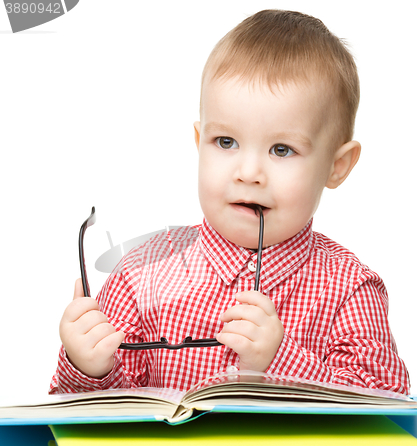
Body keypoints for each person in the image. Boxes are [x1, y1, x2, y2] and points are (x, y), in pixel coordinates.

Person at [50, 9, 410, 395]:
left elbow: (387, 402)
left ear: (337, 166)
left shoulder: (350, 288)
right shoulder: (139, 276)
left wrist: (281, 360)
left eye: (282, 149)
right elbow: (94, 417)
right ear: (199, 143)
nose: (248, 172)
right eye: (226, 142)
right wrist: (88, 367)